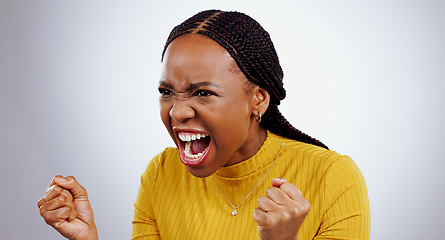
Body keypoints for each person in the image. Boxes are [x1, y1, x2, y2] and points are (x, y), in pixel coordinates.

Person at [38, 10, 370, 240]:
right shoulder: (161, 174)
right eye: (167, 92)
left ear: (258, 100)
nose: (177, 112)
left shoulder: (332, 178)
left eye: (202, 92)